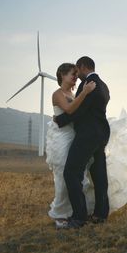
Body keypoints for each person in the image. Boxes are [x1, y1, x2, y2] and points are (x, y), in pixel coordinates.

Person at [52, 56, 127, 229]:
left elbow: (79, 111)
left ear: (83, 66)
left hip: (87, 135)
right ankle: (100, 214)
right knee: (99, 175)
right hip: (101, 134)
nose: (77, 75)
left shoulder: (88, 85)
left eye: (77, 71)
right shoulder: (103, 85)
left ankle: (78, 217)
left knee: (71, 173)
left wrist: (61, 120)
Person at [45, 63, 96, 227]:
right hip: (61, 138)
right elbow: (69, 110)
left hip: (73, 136)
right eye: (72, 74)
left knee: (76, 175)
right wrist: (86, 93)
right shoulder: (57, 94)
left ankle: (78, 210)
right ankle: (61, 213)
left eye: (76, 73)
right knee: (62, 175)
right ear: (61, 74)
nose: (75, 77)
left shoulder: (73, 93)